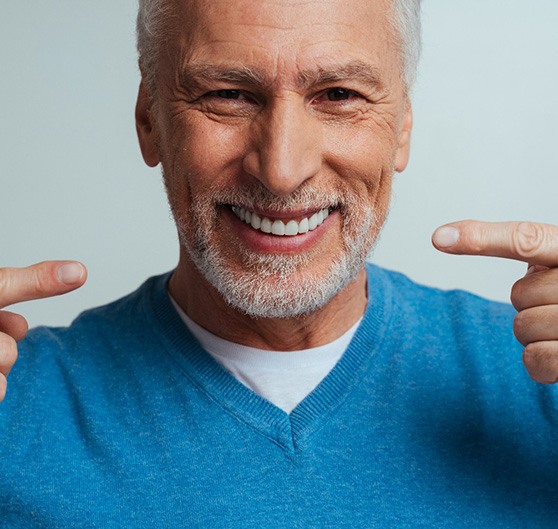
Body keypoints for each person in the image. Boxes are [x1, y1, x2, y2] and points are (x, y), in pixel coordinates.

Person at [1, 0, 557, 527]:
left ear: (401, 128)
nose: (282, 170)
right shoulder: (15, 407)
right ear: (150, 121)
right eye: (229, 95)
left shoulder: (541, 380)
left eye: (339, 94)